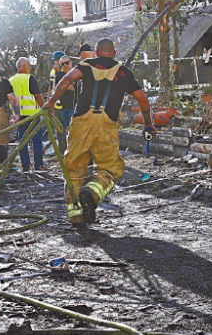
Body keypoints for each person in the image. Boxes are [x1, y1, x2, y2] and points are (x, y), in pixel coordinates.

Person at [44, 38, 154, 225]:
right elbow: (143, 101)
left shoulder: (86, 65)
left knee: (75, 168)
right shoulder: (123, 72)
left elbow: (66, 80)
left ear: (96, 53)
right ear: (114, 53)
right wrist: (148, 124)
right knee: (110, 169)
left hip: (80, 121)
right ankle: (93, 193)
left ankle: (75, 214)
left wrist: (51, 103)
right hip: (107, 123)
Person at [9, 57, 45, 172]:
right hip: (32, 115)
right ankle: (39, 166)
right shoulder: (29, 78)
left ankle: (25, 166)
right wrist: (45, 108)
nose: (30, 68)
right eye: (29, 65)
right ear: (23, 66)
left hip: (19, 116)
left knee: (22, 141)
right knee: (37, 141)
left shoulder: (11, 81)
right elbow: (37, 96)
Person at [49, 52, 75, 151]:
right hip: (61, 106)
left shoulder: (76, 73)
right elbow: (53, 88)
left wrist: (64, 87)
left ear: (70, 62)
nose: (64, 66)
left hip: (73, 106)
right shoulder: (57, 74)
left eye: (66, 63)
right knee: (60, 130)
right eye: (61, 64)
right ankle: (63, 150)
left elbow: (76, 88)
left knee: (72, 131)